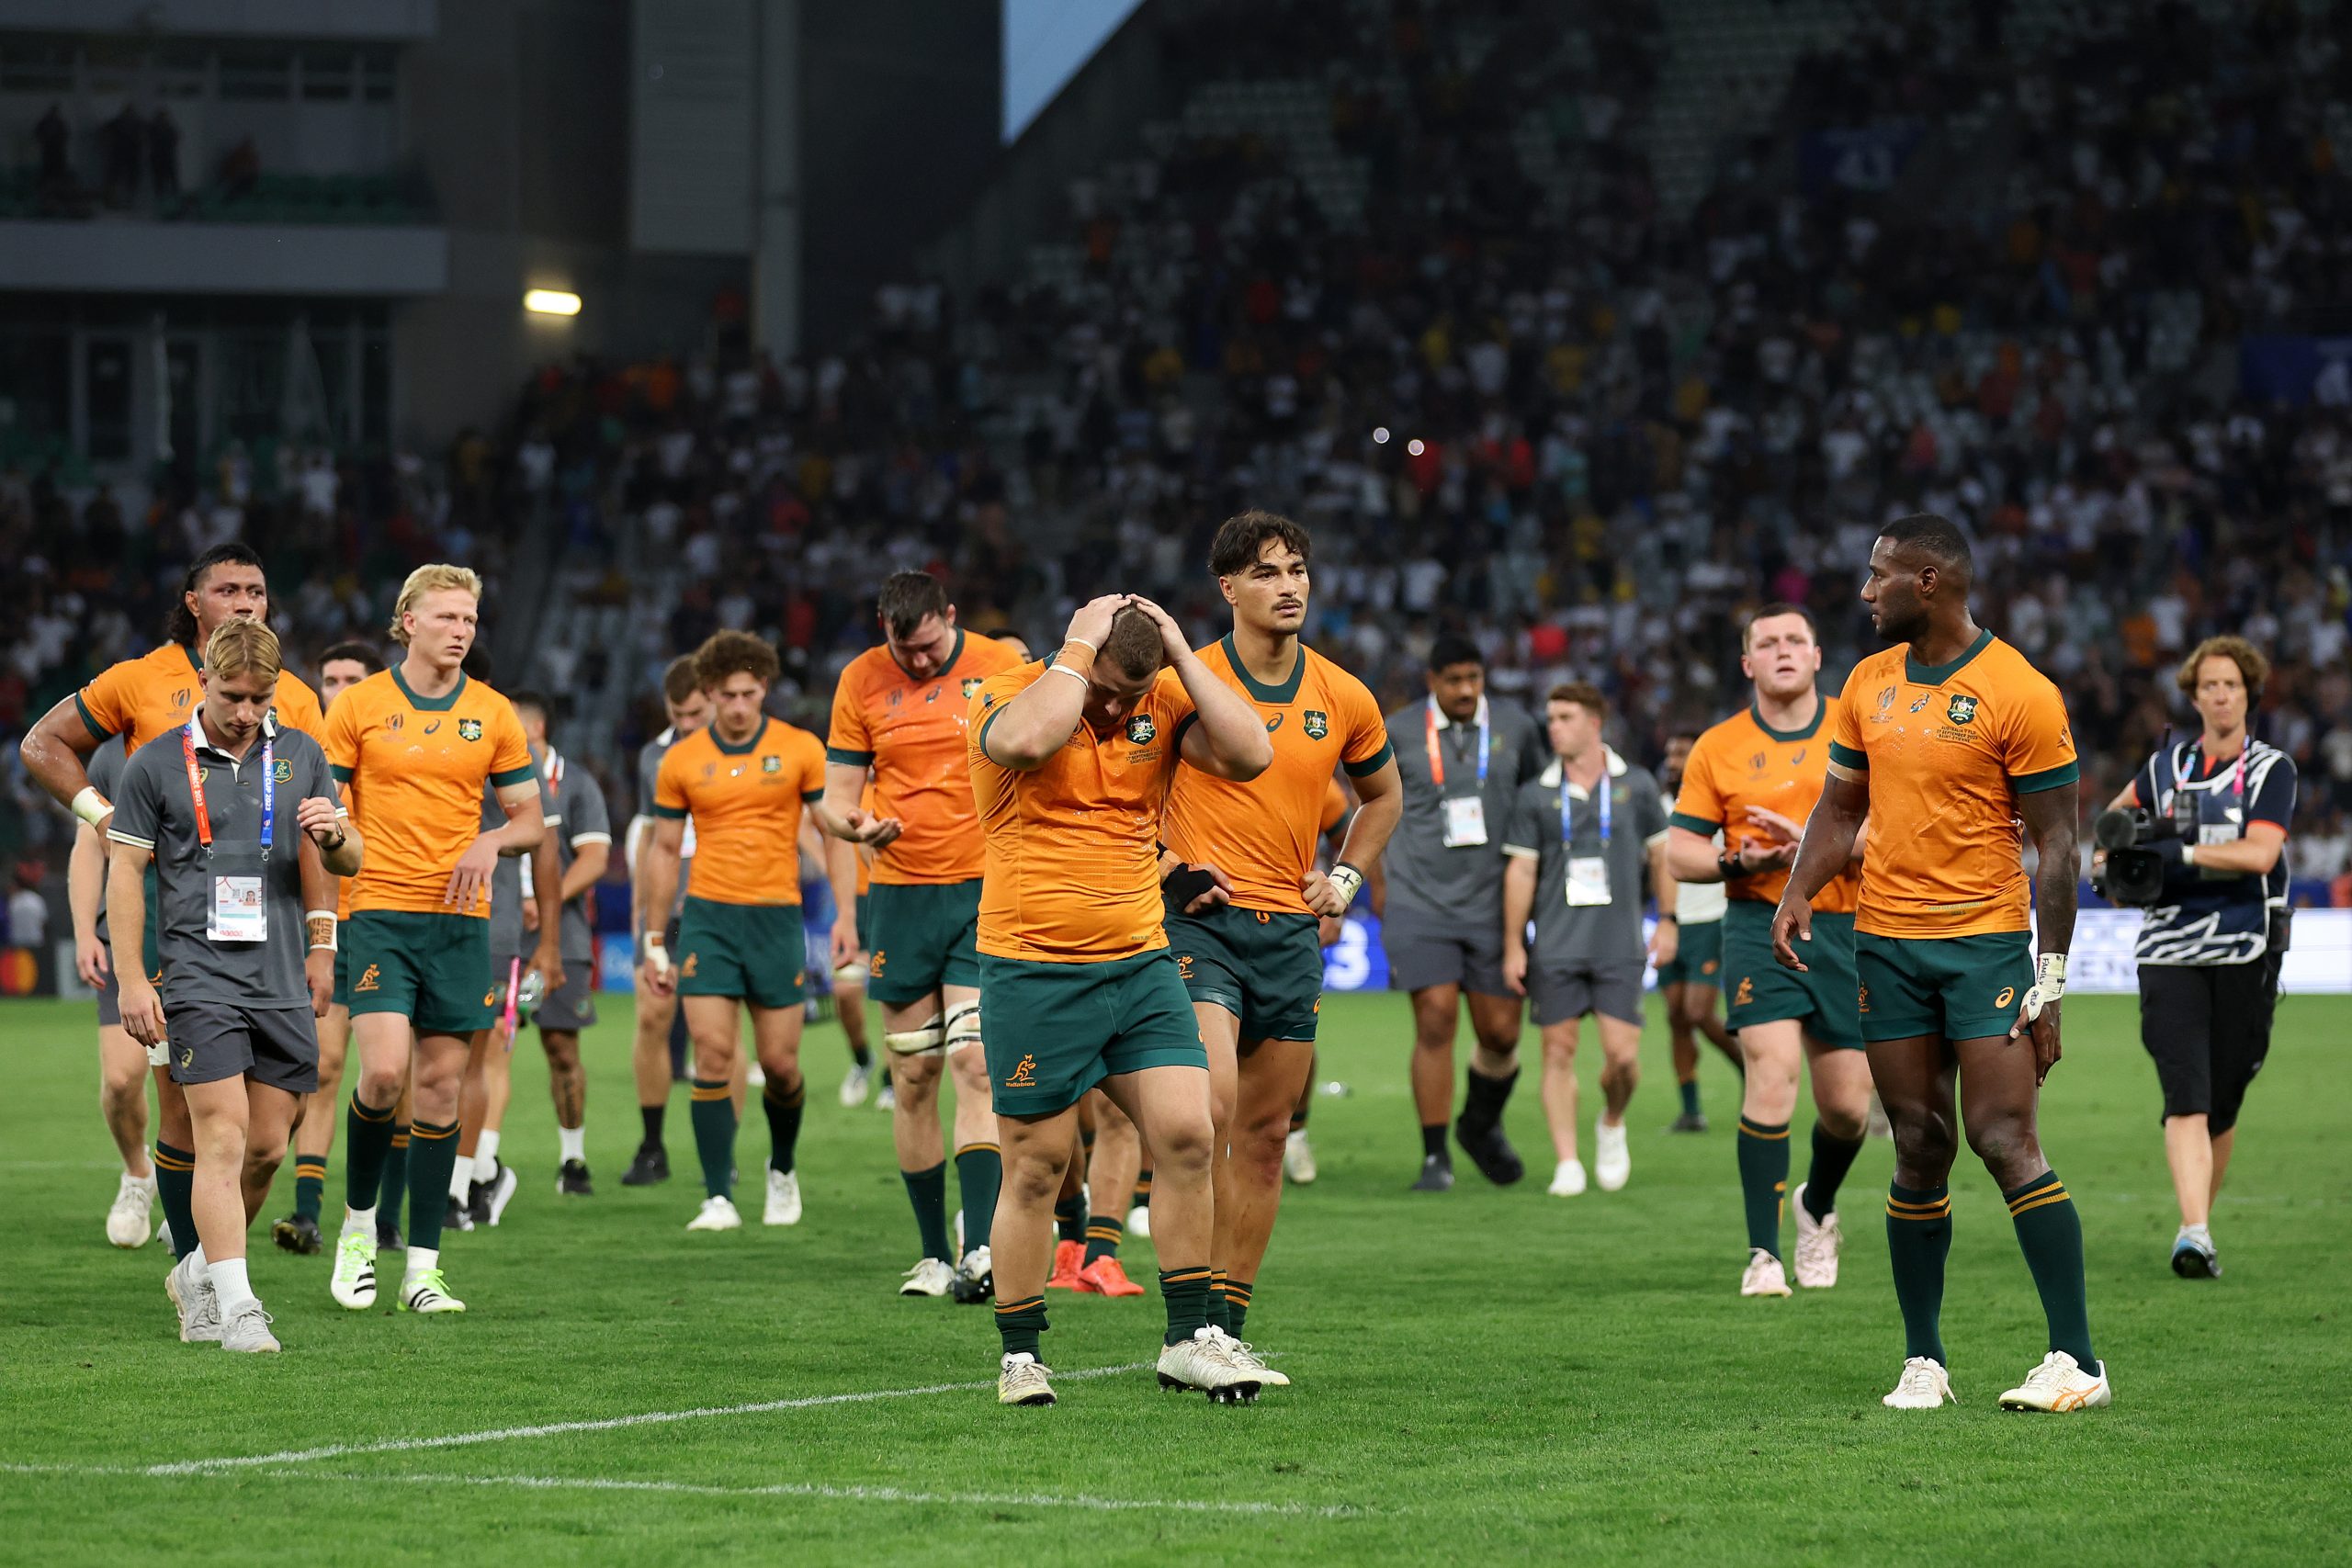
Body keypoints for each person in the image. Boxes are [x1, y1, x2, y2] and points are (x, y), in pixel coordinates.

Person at [1772, 513, 2104, 1413]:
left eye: (1879, 574)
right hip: (1884, 942)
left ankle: (2075, 1360)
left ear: (1928, 583)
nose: (1865, 589)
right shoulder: (1866, 681)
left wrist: (2052, 979)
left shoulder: (2018, 691)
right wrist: (1800, 891)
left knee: (2004, 1139)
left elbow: (2056, 847)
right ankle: (1924, 1362)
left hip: (1985, 944)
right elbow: (1840, 809)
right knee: (1917, 1145)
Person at [967, 595, 1272, 1407]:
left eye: (1132, 694)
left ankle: (1189, 1340)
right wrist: (1078, 648)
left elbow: (1251, 754)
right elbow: (1029, 740)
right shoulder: (1012, 692)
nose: (1115, 707)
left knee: (1188, 1131)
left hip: (1139, 962)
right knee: (1035, 1165)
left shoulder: (1160, 698)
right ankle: (1021, 1354)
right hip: (1035, 969)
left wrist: (1176, 647)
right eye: (1107, 687)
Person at [17, 542, 327, 1284]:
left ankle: (198, 1261)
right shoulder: (140, 678)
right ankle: (182, 1239)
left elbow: (316, 822)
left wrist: (323, 932)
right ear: (194, 600)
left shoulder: (299, 697)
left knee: (254, 1133)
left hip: (263, 927)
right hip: (162, 908)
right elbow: (41, 743)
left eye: (256, 589)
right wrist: (102, 816)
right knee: (154, 1093)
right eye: (228, 589)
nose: (246, 601)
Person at [1160, 511, 1400, 1371]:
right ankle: (1184, 1315)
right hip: (1198, 925)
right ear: (1228, 589)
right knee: (1208, 1108)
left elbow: (1382, 797)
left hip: (1291, 934)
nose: (1290, 585)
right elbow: (1120, 794)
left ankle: (1223, 1320)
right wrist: (1166, 865)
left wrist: (1342, 879)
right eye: (1267, 572)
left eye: (1297, 568)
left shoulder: (1342, 693)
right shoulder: (1184, 681)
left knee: (1264, 1137)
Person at [107, 619, 361, 1352]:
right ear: (206, 683)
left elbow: (346, 860)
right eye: (232, 695)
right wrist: (132, 976)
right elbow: (126, 871)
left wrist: (335, 834)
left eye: (260, 697)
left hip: (280, 980)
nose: (246, 711)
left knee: (266, 1150)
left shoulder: (302, 755)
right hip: (198, 975)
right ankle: (241, 1307)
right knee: (221, 1133)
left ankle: (198, 1272)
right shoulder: (156, 763)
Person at [322, 564, 547, 1316]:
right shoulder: (358, 704)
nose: (461, 630)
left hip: (461, 920)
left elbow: (530, 820)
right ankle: (357, 1230)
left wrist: (493, 841)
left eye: (470, 620)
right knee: (384, 1075)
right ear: (408, 619)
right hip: (380, 909)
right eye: (447, 616)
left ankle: (423, 1268)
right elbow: (329, 810)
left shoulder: (495, 712)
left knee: (442, 1089)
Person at [638, 630, 899, 1233]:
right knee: (713, 1055)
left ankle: (781, 1167)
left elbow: (828, 826)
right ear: (708, 692)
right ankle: (717, 1194)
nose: (737, 704)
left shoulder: (799, 747)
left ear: (764, 689)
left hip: (776, 921)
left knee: (780, 1064)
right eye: (726, 694)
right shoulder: (681, 760)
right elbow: (664, 848)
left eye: (748, 692)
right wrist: (655, 938)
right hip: (708, 918)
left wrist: (843, 916)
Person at [823, 571, 1023, 1299]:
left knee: (974, 1061)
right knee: (914, 1073)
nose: (916, 662)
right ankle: (934, 1253)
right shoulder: (859, 681)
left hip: (984, 888)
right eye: (902, 649)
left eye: (929, 645)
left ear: (950, 616)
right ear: (884, 627)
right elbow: (835, 799)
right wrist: (858, 826)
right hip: (900, 896)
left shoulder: (1004, 663)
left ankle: (983, 1248)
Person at [1666, 604, 1873, 1298]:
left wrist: (1818, 844)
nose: (1783, 651)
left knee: (1846, 1106)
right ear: (1749, 663)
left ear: (1817, 657)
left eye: (1795, 640)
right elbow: (1681, 852)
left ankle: (1816, 1204)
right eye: (1767, 643)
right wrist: (1739, 857)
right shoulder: (1717, 747)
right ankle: (1764, 1254)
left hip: (1846, 927)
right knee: (1773, 1072)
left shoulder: (1861, 728)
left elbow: (1898, 828)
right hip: (1757, 922)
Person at [2102, 637, 2294, 1279]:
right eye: (2209, 685)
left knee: (2225, 1097)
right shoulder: (2164, 769)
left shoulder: (2271, 769)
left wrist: (2177, 854)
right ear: (2192, 695)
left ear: (2249, 694)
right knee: (2186, 1091)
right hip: (2169, 950)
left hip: (2247, 950)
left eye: (2231, 685)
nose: (2220, 695)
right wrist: (2114, 863)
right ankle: (2195, 1232)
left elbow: (2261, 853)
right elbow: (2113, 825)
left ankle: (2197, 1227)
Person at [1377, 636, 1544, 1191]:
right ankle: (1434, 1156)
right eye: (1454, 680)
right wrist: (1374, 885)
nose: (1467, 690)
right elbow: (1367, 807)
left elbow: (1538, 806)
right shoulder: (1397, 732)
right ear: (1432, 681)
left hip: (1496, 908)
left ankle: (1478, 1125)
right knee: (1436, 1020)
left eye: (1474, 678)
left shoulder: (1518, 728)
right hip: (1419, 902)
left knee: (1500, 1034)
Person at [1499, 683, 1673, 1196]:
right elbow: (1521, 874)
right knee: (1557, 1051)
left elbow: (1662, 858)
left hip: (1619, 943)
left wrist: (1668, 920)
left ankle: (1613, 1121)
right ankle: (1568, 1161)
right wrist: (1514, 944)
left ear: (1595, 722)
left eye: (1565, 717)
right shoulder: (1535, 794)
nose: (1553, 726)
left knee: (1622, 1057)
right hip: (1555, 943)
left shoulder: (1636, 785)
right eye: (1550, 717)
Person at [274, 640, 386, 1254]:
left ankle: (372, 1212)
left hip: (381, 922)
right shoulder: (300, 754)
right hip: (313, 924)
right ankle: (304, 1206)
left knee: (383, 1070)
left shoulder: (390, 755)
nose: (339, 689)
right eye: (331, 678)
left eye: (353, 678)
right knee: (316, 1066)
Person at [621, 658, 710, 1184]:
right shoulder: (654, 756)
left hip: (715, 900)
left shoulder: (734, 753)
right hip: (664, 901)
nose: (687, 725)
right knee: (653, 1017)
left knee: (711, 1028)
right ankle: (652, 1146)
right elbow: (650, 831)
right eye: (679, 714)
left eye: (696, 714)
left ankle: (716, 1158)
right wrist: (640, 904)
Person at [70, 739, 157, 1247]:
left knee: (204, 1084)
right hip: (126, 936)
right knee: (124, 1080)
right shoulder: (113, 753)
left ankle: (196, 1196)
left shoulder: (242, 739)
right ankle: (137, 1176)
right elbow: (88, 845)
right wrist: (85, 931)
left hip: (206, 937)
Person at [1654, 728, 1740, 1133]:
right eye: (1670, 754)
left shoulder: (1721, 802)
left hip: (1709, 918)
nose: (1673, 762)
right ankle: (1691, 1110)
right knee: (1675, 1016)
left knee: (1698, 1011)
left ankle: (1750, 1066)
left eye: (1681, 754)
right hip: (1671, 921)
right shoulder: (1657, 806)